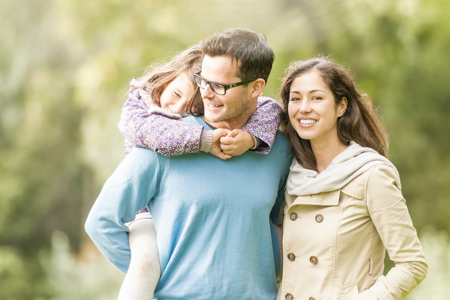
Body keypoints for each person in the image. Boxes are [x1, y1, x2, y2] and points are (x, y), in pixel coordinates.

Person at [85, 28, 292, 300]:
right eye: (203, 81)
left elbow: (277, 224)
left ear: (256, 88)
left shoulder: (277, 149)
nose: (205, 93)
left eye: (220, 86)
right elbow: (102, 223)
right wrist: (160, 280)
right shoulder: (163, 143)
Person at [277, 56, 427, 300]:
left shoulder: (371, 174)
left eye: (316, 97)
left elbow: (412, 264)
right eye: (296, 98)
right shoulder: (291, 174)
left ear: (341, 106)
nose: (304, 107)